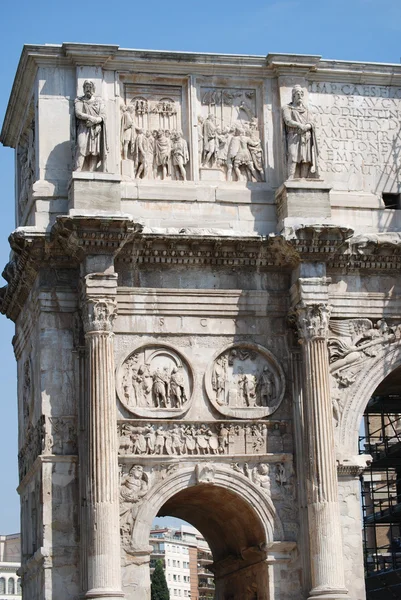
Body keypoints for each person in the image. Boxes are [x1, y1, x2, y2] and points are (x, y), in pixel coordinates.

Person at [282, 85, 318, 179]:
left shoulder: (307, 109)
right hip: (293, 135)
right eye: (298, 93)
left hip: (305, 136)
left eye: (302, 94)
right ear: (293, 95)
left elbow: (312, 121)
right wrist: (299, 125)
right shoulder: (287, 108)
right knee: (293, 156)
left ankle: (303, 178)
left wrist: (307, 126)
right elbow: (287, 120)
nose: (300, 95)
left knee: (306, 158)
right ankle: (291, 177)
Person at [74, 80, 108, 172]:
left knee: (94, 150)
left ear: (93, 88)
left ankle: (91, 170)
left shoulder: (99, 101)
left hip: (95, 128)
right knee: (81, 146)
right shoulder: (79, 100)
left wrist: (95, 120)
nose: (88, 89)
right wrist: (90, 118)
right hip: (83, 127)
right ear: (83, 89)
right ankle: (78, 168)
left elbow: (103, 115)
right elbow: (78, 113)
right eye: (86, 87)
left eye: (89, 87)